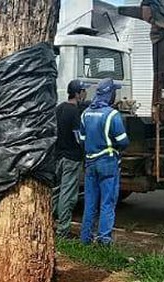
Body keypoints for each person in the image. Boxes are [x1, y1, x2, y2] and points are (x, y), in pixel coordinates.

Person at [79, 78, 130, 245]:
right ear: (110, 94)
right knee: (107, 203)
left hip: (90, 163)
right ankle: (104, 240)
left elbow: (82, 139)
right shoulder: (112, 115)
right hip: (107, 163)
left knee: (90, 202)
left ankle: (85, 239)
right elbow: (123, 142)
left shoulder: (86, 113)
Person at [53, 79, 90, 239]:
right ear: (77, 93)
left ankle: (48, 223)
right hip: (71, 158)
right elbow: (78, 138)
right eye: (83, 91)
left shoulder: (60, 108)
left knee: (56, 191)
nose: (85, 93)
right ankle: (63, 230)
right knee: (68, 195)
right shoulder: (75, 113)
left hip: (57, 156)